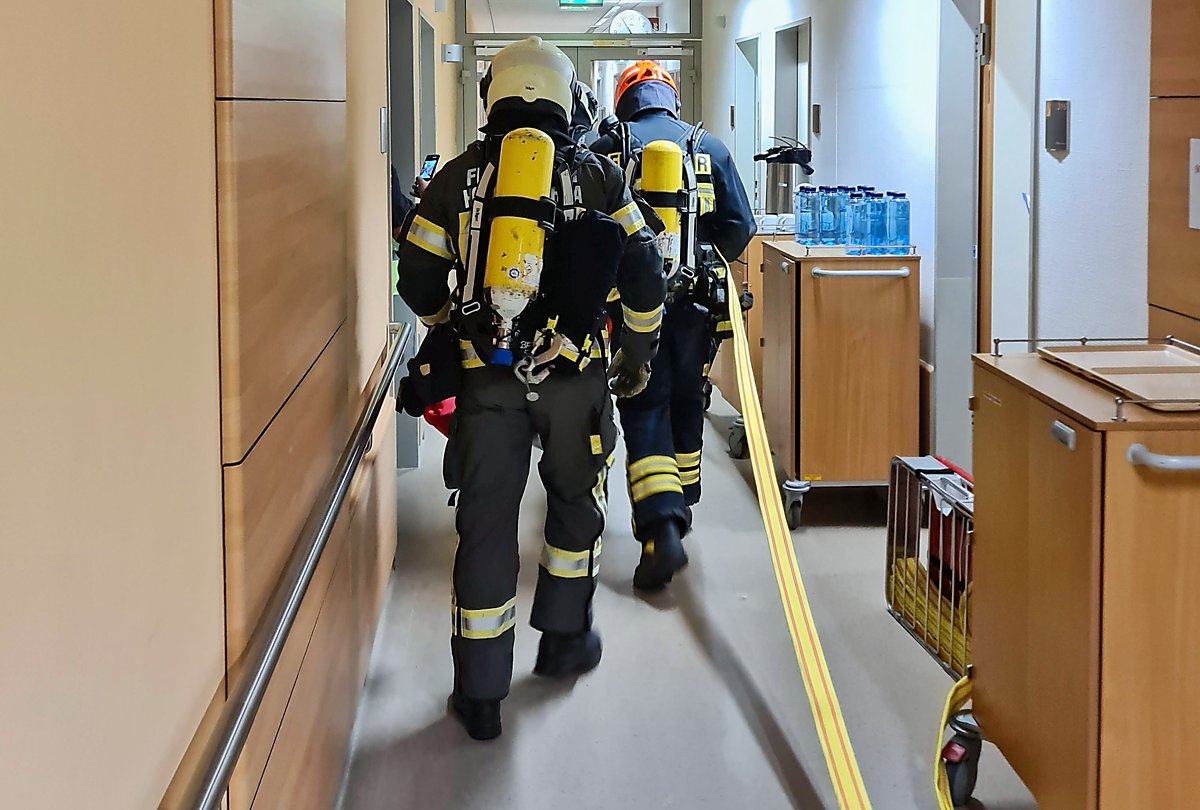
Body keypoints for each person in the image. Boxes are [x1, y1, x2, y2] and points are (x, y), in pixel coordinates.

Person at [395, 37, 666, 741]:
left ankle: (481, 697)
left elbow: (416, 279)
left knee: (486, 526)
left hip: (488, 387)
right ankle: (565, 641)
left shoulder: (458, 177)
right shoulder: (601, 177)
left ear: (495, 93)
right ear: (563, 94)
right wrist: (634, 354)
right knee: (576, 509)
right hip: (576, 380)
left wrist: (453, 328)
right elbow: (643, 272)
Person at [591, 60, 756, 591]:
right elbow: (740, 227)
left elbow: (583, 229)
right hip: (697, 310)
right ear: (671, 100)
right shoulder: (709, 147)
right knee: (688, 397)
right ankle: (681, 504)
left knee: (643, 403)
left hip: (630, 308)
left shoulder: (606, 147)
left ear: (625, 101)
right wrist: (705, 261)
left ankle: (661, 528)